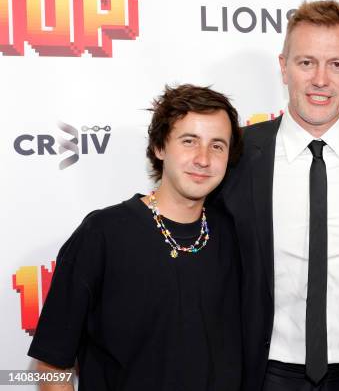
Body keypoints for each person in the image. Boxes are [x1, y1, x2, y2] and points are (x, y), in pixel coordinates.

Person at [221, 0, 339, 391]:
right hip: (264, 373)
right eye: (306, 63)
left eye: (336, 64)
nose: (321, 79)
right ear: (283, 66)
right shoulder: (239, 152)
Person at [28, 85, 243, 391]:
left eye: (217, 146)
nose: (203, 159)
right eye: (189, 141)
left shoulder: (236, 235)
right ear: (159, 147)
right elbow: (51, 364)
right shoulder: (103, 234)